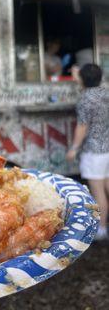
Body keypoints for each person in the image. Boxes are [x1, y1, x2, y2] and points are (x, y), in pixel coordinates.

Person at [66, 64, 109, 240]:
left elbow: (82, 126)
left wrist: (74, 148)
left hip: (94, 152)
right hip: (108, 148)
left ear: (83, 79)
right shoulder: (106, 93)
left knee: (98, 193)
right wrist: (80, 75)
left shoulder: (85, 98)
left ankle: (101, 229)